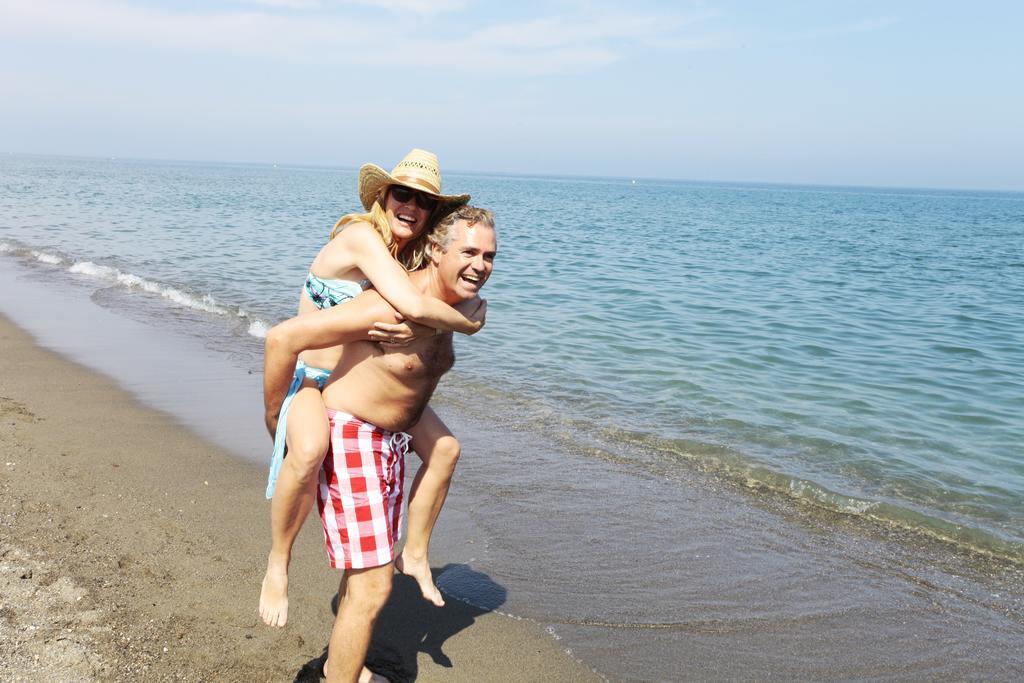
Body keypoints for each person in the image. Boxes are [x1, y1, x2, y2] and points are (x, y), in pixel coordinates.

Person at [263, 207, 497, 683]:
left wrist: (461, 323)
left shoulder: (462, 307)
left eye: (490, 255)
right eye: (469, 251)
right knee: (372, 588)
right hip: (352, 435)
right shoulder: (387, 307)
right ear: (436, 250)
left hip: (390, 441)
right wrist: (276, 419)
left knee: (369, 576)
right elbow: (283, 338)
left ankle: (342, 661)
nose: (480, 265)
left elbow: (473, 315)